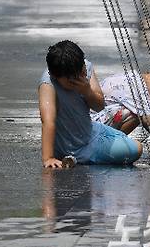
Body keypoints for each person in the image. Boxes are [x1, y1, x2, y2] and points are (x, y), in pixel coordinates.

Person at [38, 40, 143, 168]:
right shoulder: (48, 85)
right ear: (55, 76)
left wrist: (87, 91)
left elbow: (99, 106)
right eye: (73, 80)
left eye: (82, 72)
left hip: (91, 131)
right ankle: (76, 157)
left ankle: (81, 157)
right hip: (73, 145)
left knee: (130, 142)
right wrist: (48, 158)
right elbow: (48, 122)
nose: (81, 78)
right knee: (136, 149)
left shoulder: (85, 68)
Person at [91, 68, 150, 156]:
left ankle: (109, 141)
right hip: (92, 129)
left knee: (140, 112)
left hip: (92, 122)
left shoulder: (134, 77)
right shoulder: (139, 88)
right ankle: (107, 145)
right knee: (137, 114)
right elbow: (149, 121)